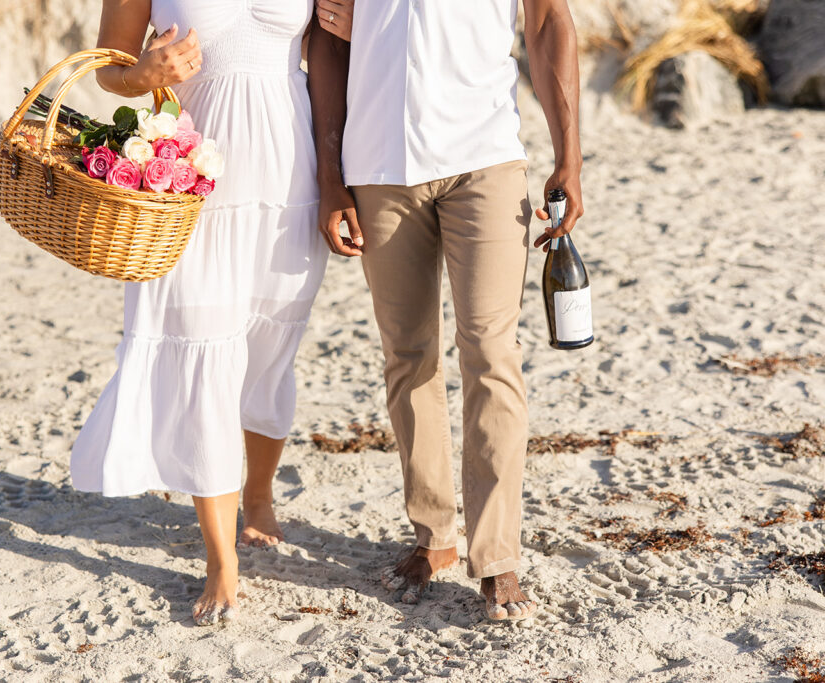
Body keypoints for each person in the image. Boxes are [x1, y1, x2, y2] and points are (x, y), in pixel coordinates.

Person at [309, 0, 584, 620]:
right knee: (407, 355)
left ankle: (498, 556)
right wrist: (331, 174)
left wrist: (570, 151)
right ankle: (433, 538)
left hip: (484, 156)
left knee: (491, 350)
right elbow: (326, 38)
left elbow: (546, 22)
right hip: (379, 162)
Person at [71, 0, 337, 626]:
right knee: (203, 351)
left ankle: (261, 494)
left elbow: (328, 55)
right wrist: (141, 75)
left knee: (272, 348)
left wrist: (335, 176)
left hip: (289, 173)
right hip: (191, 175)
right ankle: (220, 558)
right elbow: (109, 69)